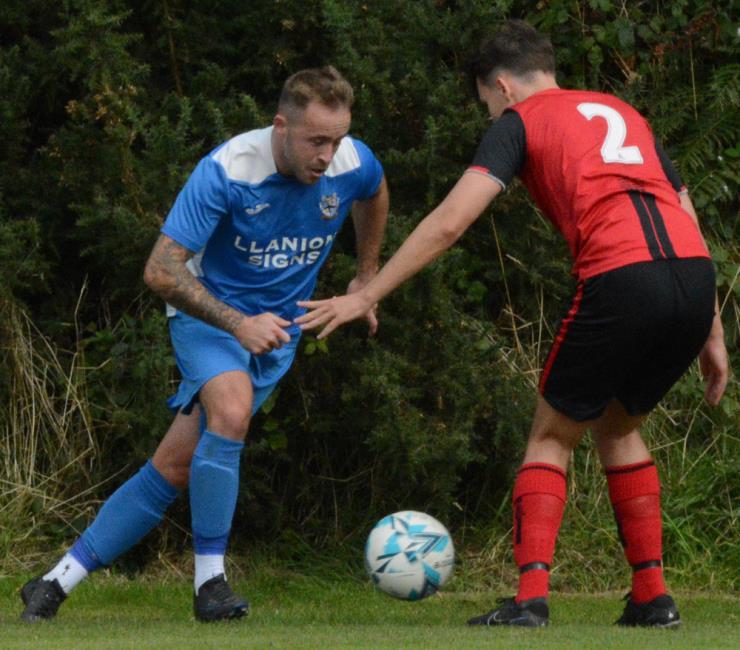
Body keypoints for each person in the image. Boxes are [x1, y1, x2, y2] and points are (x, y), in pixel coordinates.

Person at [296, 21, 729, 628]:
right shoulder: (621, 110)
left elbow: (450, 222)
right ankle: (653, 599)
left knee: (551, 436)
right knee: (618, 424)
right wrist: (711, 327)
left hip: (622, 275)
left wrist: (365, 293)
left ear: (501, 87)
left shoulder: (520, 122)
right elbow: (681, 208)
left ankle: (529, 600)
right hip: (692, 276)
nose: (489, 115)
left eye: (486, 105)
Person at [20, 65, 389, 623]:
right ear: (280, 126)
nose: (327, 154)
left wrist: (366, 274)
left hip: (277, 334)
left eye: (336, 139)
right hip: (209, 316)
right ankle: (210, 584)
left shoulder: (350, 161)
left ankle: (54, 582)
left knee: (172, 467)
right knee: (233, 410)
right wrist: (238, 323)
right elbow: (160, 271)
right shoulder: (228, 170)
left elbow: (375, 192)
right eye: (316, 140)